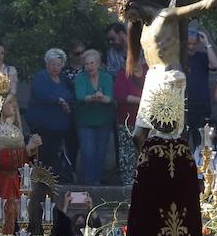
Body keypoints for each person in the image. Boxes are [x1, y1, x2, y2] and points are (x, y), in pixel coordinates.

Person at [28, 49, 75, 181]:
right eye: (52, 64)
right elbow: (41, 94)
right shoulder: (40, 77)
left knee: (54, 155)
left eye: (58, 64)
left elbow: (70, 95)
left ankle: (52, 182)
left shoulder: (64, 79)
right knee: (43, 155)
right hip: (42, 125)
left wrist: (66, 102)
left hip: (59, 128)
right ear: (47, 64)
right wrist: (59, 100)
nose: (55, 67)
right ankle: (41, 182)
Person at [74, 49, 115, 185]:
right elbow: (80, 97)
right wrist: (96, 97)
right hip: (85, 121)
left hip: (104, 120)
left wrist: (94, 98)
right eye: (86, 64)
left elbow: (110, 99)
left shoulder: (107, 77)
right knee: (87, 153)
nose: (89, 66)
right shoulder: (80, 78)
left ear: (98, 64)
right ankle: (87, 183)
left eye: (92, 63)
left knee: (100, 153)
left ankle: (95, 182)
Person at [186, 28, 217, 151]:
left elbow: (215, 65)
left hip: (202, 106)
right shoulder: (180, 58)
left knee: (202, 143)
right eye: (188, 44)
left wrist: (207, 43)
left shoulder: (202, 57)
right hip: (185, 106)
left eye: (194, 44)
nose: (191, 47)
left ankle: (201, 169)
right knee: (183, 142)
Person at [113, 59, 146, 186]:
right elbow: (120, 96)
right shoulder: (123, 74)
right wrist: (144, 100)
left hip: (147, 123)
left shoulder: (150, 72)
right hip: (127, 122)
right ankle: (128, 182)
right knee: (127, 153)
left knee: (146, 152)